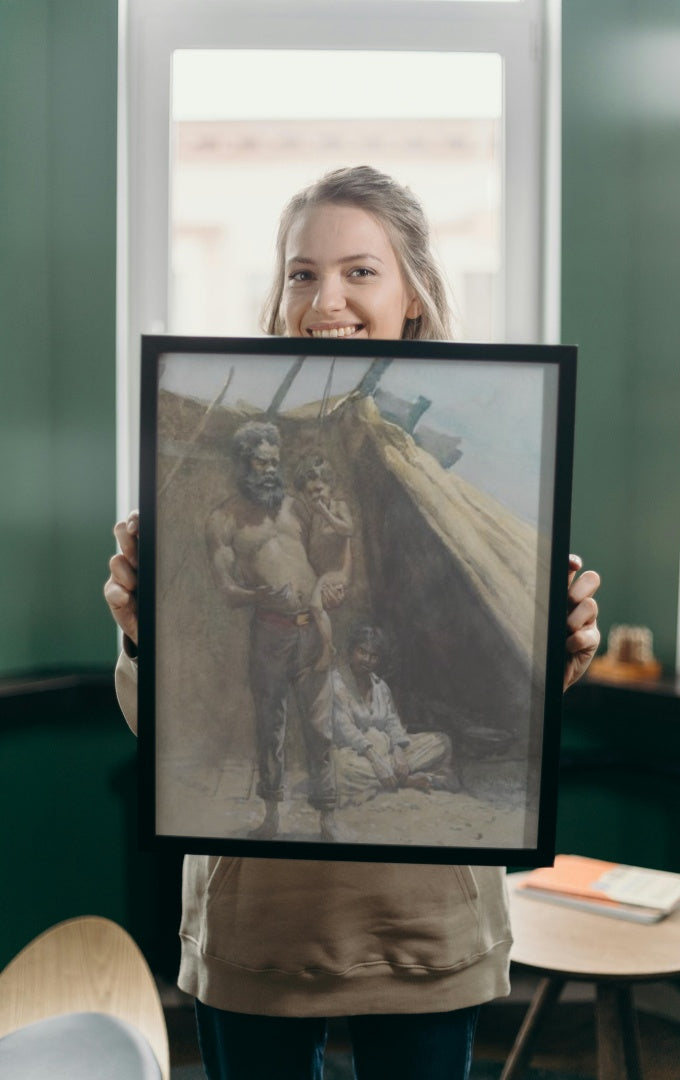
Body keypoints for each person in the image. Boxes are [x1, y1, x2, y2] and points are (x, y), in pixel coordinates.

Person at [105, 165, 601, 1080]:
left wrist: (560, 648)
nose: (324, 297)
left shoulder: (435, 472)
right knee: (277, 724)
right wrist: (145, 633)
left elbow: (518, 688)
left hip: (422, 922)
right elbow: (158, 724)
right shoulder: (218, 511)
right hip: (260, 923)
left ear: (413, 291)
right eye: (301, 272)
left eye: (359, 271)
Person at [205, 421, 343, 842]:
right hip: (268, 635)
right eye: (261, 462)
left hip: (310, 632)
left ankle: (328, 819)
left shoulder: (298, 507)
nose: (269, 469)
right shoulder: (223, 520)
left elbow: (328, 561)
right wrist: (256, 592)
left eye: (275, 462)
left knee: (321, 729)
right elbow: (226, 591)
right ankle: (271, 818)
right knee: (270, 728)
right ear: (243, 463)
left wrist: (330, 587)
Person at [332, 623, 459, 802]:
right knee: (341, 769)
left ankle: (393, 775)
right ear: (351, 651)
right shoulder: (337, 684)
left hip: (388, 750)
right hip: (357, 754)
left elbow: (392, 721)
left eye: (373, 656)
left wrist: (398, 751)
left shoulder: (380, 687)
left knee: (442, 742)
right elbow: (347, 731)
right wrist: (376, 762)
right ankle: (405, 780)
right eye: (362, 652)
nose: (367, 660)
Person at [293, 453, 354, 673]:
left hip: (337, 574)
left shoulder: (337, 507)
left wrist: (326, 513)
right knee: (305, 616)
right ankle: (311, 656)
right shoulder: (314, 517)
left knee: (315, 606)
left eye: (319, 490)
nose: (315, 497)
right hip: (321, 576)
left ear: (330, 486)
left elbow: (348, 529)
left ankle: (329, 651)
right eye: (310, 493)